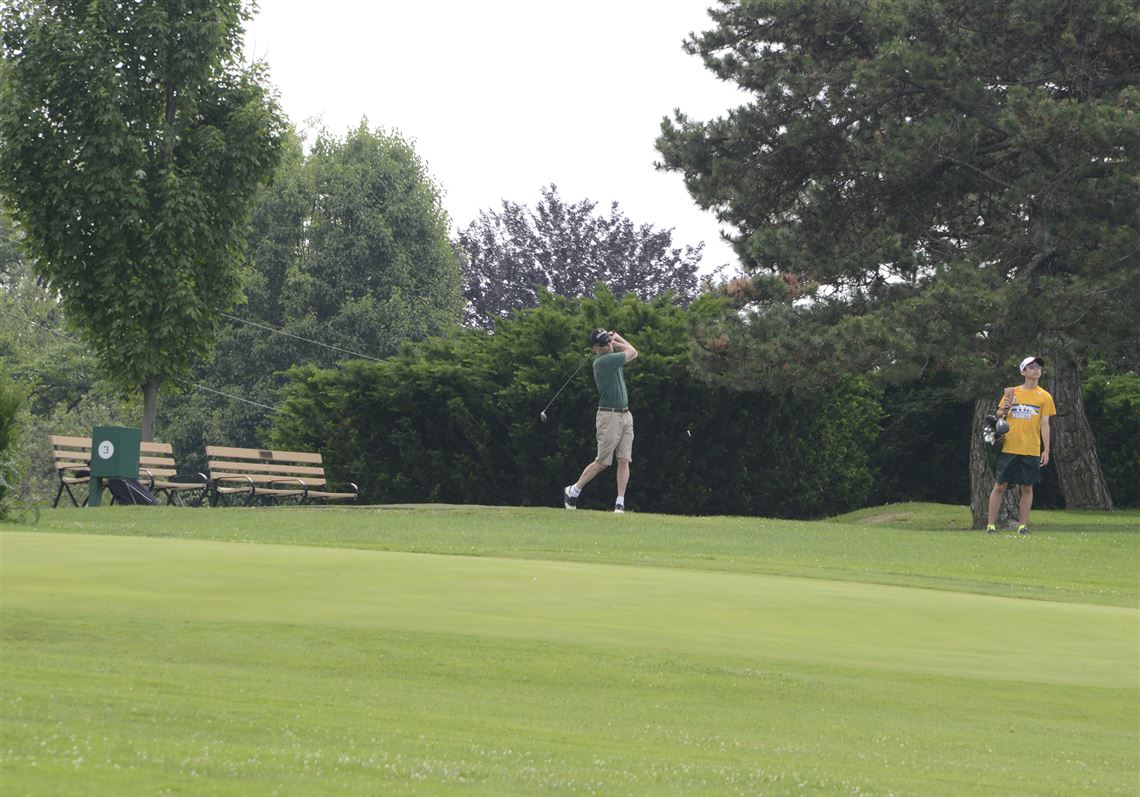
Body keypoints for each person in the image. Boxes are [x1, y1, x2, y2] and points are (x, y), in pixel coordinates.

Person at [563, 328, 638, 513]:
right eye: (605, 343)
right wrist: (618, 339)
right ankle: (574, 490)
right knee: (603, 461)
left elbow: (630, 352)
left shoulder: (611, 356)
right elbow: (633, 352)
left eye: (609, 340)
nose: (609, 344)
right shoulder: (604, 362)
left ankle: (620, 503)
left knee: (624, 460)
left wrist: (614, 341)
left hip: (625, 415)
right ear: (597, 348)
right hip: (608, 416)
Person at [986, 355, 1056, 534]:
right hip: (1009, 445)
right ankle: (991, 526)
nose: (1036, 369)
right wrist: (1006, 407)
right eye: (1032, 366)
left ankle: (1023, 526)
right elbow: (998, 415)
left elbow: (1045, 424)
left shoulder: (1045, 396)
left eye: (1039, 366)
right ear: (1023, 371)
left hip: (1031, 448)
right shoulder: (1012, 392)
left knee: (1027, 487)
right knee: (1000, 485)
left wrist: (1046, 449)